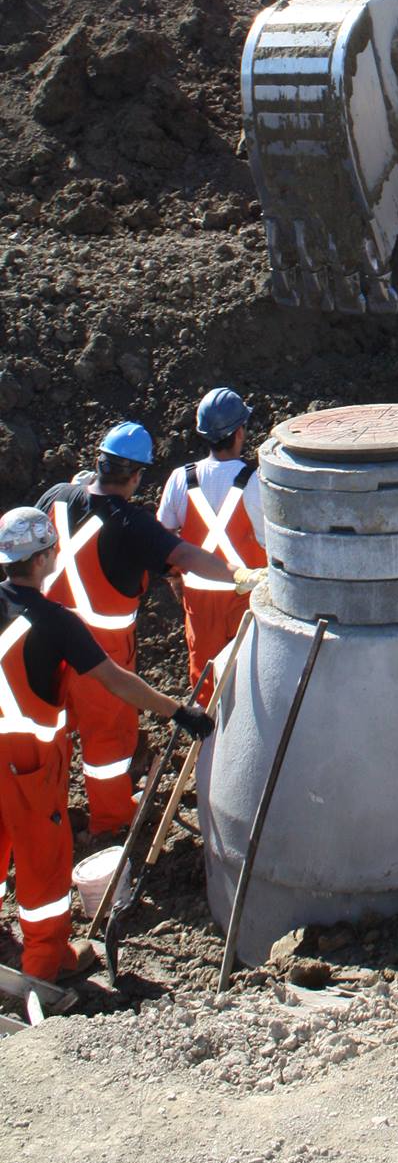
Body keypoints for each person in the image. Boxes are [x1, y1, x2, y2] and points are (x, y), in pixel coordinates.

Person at [0, 506, 212, 984]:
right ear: (44, 557)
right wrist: (177, 710)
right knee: (43, 862)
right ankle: (46, 962)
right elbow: (115, 682)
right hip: (28, 760)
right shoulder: (55, 622)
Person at [40, 422, 249, 844]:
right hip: (101, 652)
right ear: (137, 476)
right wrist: (238, 574)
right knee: (108, 741)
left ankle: (49, 814)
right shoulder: (130, 522)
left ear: (97, 462)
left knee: (51, 732)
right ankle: (111, 819)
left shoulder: (56, 498)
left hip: (44, 642)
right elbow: (186, 556)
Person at [157, 388, 267, 688]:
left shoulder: (181, 478)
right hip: (244, 597)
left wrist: (175, 579)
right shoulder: (255, 482)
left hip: (198, 599)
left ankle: (206, 734)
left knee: (205, 682)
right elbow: (271, 542)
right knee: (247, 681)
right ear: (240, 432)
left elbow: (163, 536)